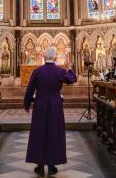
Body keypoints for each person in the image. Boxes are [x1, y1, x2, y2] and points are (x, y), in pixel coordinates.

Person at [24, 47, 77, 176]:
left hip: (40, 104)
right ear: (54, 57)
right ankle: (52, 165)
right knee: (54, 132)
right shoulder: (60, 71)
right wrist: (69, 68)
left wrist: (27, 104)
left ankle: (40, 166)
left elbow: (30, 88)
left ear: (44, 56)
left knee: (40, 132)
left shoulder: (37, 71)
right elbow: (72, 79)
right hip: (55, 105)